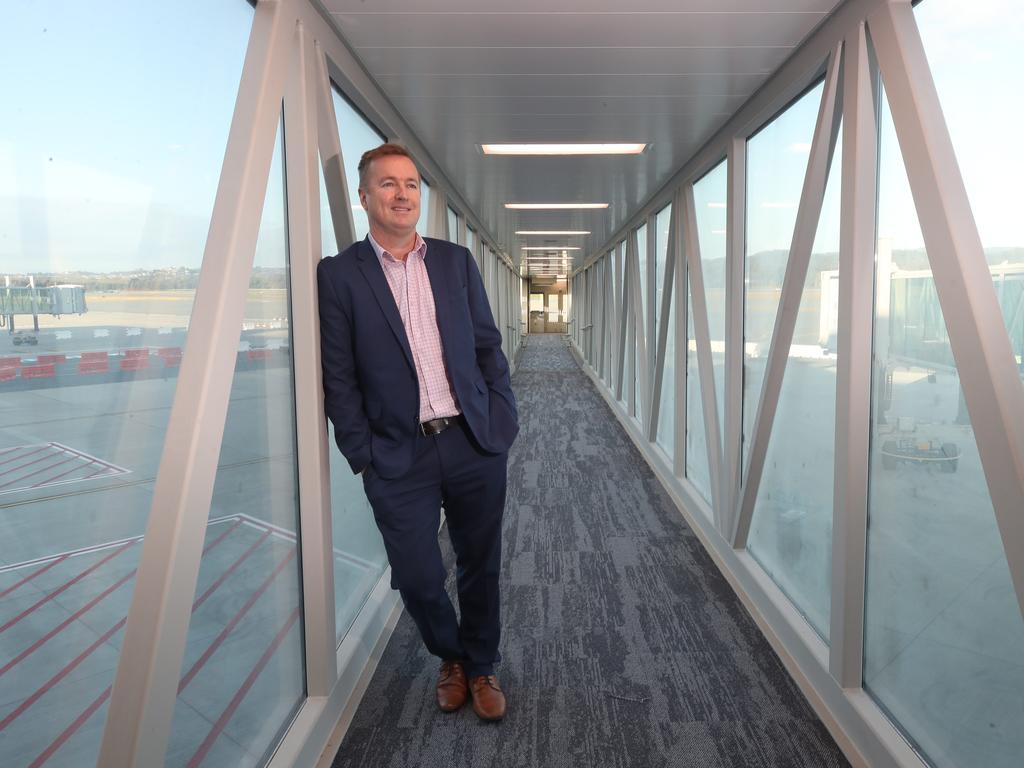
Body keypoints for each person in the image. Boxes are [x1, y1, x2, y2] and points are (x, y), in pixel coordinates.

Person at [317, 143, 518, 721]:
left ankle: (480, 666)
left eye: (410, 184)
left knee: (480, 560)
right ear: (364, 197)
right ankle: (450, 655)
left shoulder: (455, 262)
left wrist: (501, 417)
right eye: (387, 184)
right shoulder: (339, 276)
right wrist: (364, 454)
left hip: (473, 441)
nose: (402, 194)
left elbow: (486, 346)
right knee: (417, 573)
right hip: (397, 453)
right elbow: (339, 375)